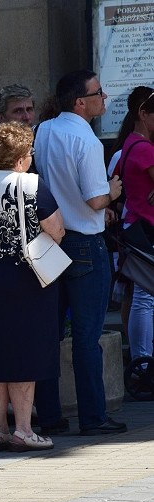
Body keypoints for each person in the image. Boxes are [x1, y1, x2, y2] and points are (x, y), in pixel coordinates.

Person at [0, 123, 64, 452]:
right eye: (29, 152)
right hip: (25, 279)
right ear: (20, 156)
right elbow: (57, 230)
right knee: (24, 351)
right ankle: (23, 429)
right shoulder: (32, 184)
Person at [33, 69, 127, 436]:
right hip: (85, 243)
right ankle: (93, 417)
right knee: (87, 336)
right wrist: (113, 191)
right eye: (98, 92)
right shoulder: (85, 139)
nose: (104, 97)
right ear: (79, 102)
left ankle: (50, 414)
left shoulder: (45, 130)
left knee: (50, 333)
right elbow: (94, 199)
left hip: (51, 238)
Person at [117, 87, 154, 364]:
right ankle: (143, 361)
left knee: (143, 295)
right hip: (146, 227)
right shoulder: (143, 148)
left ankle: (142, 359)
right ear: (143, 114)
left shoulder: (129, 143)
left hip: (137, 224)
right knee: (145, 296)